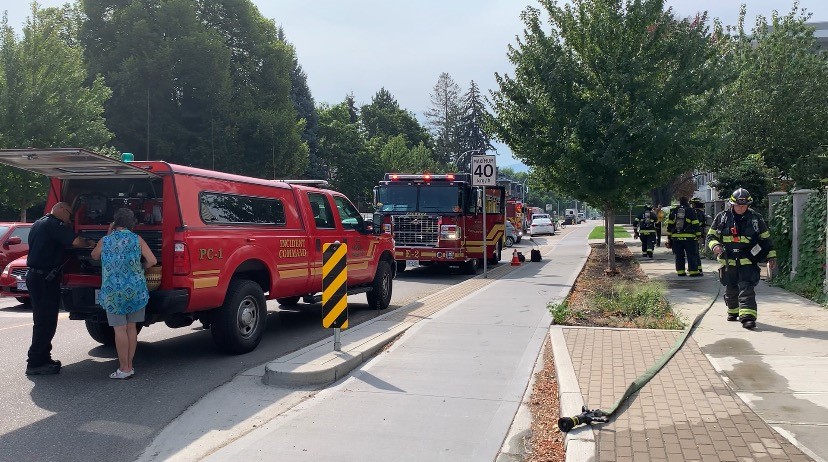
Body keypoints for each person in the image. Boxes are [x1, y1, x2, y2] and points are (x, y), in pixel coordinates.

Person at [25, 202, 94, 375]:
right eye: (70, 215)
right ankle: (35, 362)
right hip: (44, 278)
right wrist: (91, 242)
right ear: (61, 210)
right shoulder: (54, 224)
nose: (70, 220)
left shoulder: (39, 222)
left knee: (44, 319)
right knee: (45, 321)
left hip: (37, 277)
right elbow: (76, 241)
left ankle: (43, 357)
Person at [91, 208, 157, 379]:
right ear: (131, 223)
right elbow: (152, 260)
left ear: (114, 222)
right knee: (131, 328)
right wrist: (140, 268)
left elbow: (94, 256)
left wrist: (107, 234)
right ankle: (130, 365)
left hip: (113, 292)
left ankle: (123, 368)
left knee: (119, 329)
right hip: (136, 290)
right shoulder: (137, 239)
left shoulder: (105, 240)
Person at [706, 188, 776, 330]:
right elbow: (710, 236)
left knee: (746, 288)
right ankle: (733, 311)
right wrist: (715, 246)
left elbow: (766, 240)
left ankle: (748, 318)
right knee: (731, 288)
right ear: (732, 204)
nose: (741, 208)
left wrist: (771, 256)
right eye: (738, 205)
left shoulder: (756, 218)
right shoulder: (722, 218)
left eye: (744, 205)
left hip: (748, 261)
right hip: (728, 261)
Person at [666, 197, 701, 277]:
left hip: (676, 238)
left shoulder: (673, 211)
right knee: (691, 255)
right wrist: (698, 235)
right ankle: (693, 272)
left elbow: (670, 225)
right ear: (687, 202)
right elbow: (695, 223)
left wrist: (669, 238)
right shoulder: (691, 211)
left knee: (679, 255)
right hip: (689, 238)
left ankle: (680, 272)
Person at [690, 197, 709, 275]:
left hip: (695, 234)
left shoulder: (695, 213)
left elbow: (697, 224)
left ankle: (696, 268)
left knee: (694, 252)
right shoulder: (702, 212)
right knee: (696, 252)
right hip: (699, 234)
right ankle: (699, 268)